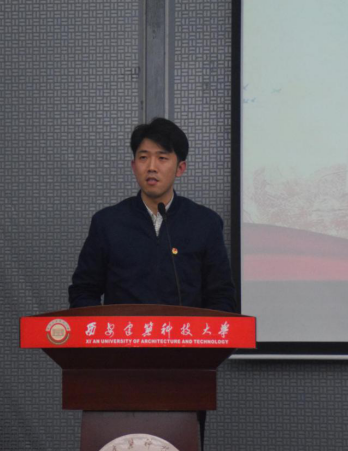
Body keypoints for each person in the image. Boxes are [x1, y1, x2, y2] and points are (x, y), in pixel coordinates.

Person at [68, 117, 238, 313]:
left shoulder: (205, 223)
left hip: (185, 333)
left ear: (180, 168)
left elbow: (221, 297)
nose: (151, 167)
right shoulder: (107, 223)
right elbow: (83, 291)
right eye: (143, 157)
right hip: (124, 332)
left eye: (162, 158)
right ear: (134, 166)